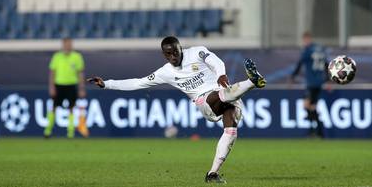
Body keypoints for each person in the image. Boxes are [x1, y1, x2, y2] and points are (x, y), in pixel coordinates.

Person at [87, 36, 266, 184]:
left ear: (181, 48)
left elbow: (215, 61)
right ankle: (252, 82)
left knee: (231, 130)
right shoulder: (165, 72)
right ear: (164, 55)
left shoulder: (196, 52)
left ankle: (212, 174)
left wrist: (220, 74)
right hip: (206, 102)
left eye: (175, 51)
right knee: (219, 96)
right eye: (168, 54)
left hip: (226, 93)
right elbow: (138, 82)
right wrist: (107, 84)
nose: (173, 56)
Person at [44, 37, 89, 138]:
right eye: (66, 44)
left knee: (71, 108)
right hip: (59, 85)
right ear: (63, 45)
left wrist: (81, 88)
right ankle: (47, 131)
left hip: (72, 85)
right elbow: (52, 72)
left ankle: (70, 132)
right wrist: (51, 87)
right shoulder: (57, 56)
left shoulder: (77, 56)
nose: (68, 46)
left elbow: (80, 73)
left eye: (69, 44)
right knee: (54, 108)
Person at [290, 32, 329, 138]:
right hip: (319, 82)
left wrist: (293, 76)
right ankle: (316, 131)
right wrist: (328, 80)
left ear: (307, 39)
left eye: (304, 40)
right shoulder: (320, 49)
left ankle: (317, 131)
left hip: (311, 82)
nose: (304, 42)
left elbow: (300, 63)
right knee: (312, 107)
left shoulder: (308, 50)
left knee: (307, 106)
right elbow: (326, 65)